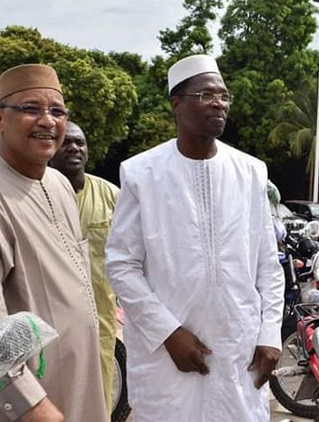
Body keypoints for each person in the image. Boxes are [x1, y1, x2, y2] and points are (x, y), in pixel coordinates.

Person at [105, 54, 284, 421]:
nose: (218, 103)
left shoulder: (251, 171)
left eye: (223, 96)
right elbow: (122, 265)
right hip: (167, 358)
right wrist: (168, 333)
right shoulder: (141, 173)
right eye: (205, 95)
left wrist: (270, 334)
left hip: (240, 347)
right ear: (176, 104)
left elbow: (268, 262)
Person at [0, 64, 106, 422]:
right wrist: (28, 402)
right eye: (31, 109)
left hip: (80, 379)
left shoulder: (60, 184)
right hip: (29, 399)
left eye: (57, 111)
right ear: (0, 119)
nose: (47, 121)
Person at [49, 120, 119, 415]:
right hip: (49, 319)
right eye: (67, 142)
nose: (75, 148)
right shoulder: (35, 195)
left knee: (97, 397)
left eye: (80, 142)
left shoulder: (111, 195)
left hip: (100, 319)